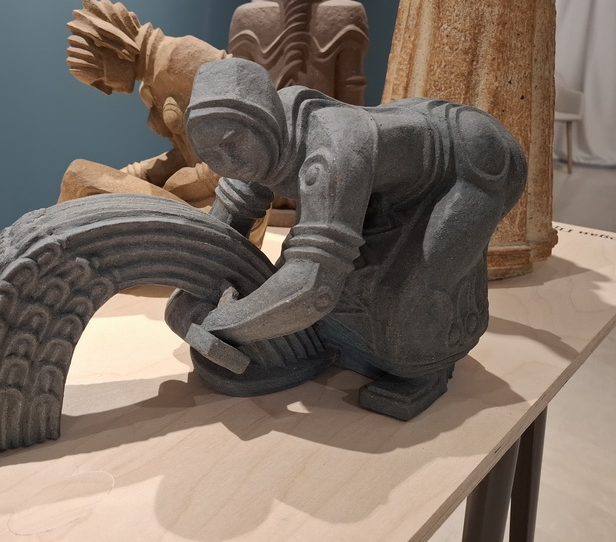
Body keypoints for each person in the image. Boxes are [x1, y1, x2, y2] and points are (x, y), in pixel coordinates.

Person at [172, 58, 527, 419]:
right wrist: (188, 294)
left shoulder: (331, 149)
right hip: (398, 177)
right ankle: (349, 345)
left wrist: (222, 325)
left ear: (261, 120)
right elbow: (220, 234)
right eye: (210, 156)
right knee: (327, 283)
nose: (227, 162)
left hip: (469, 166)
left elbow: (312, 287)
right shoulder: (247, 134)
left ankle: (425, 371)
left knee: (408, 294)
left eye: (232, 144)